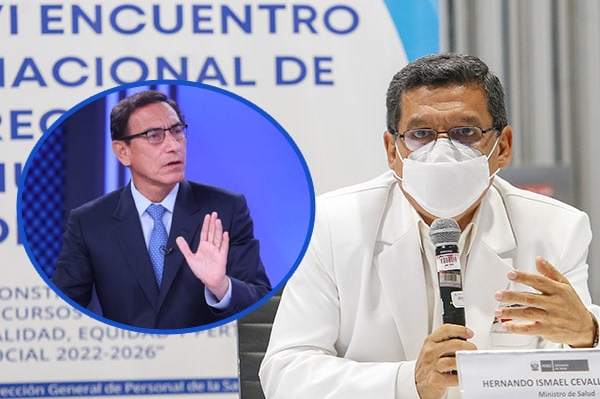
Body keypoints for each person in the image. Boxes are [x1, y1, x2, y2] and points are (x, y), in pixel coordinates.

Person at [259, 53, 600, 399]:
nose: (443, 151)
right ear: (392, 150)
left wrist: (587, 336)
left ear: (503, 146)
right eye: (420, 134)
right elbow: (285, 374)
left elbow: (571, 376)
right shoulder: (331, 226)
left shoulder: (557, 229)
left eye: (465, 132)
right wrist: (409, 382)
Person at [52, 90, 271, 330]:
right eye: (154, 135)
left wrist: (221, 286)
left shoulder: (225, 209)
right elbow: (61, 312)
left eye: (177, 131)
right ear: (123, 152)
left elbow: (262, 304)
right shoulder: (89, 222)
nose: (173, 146)